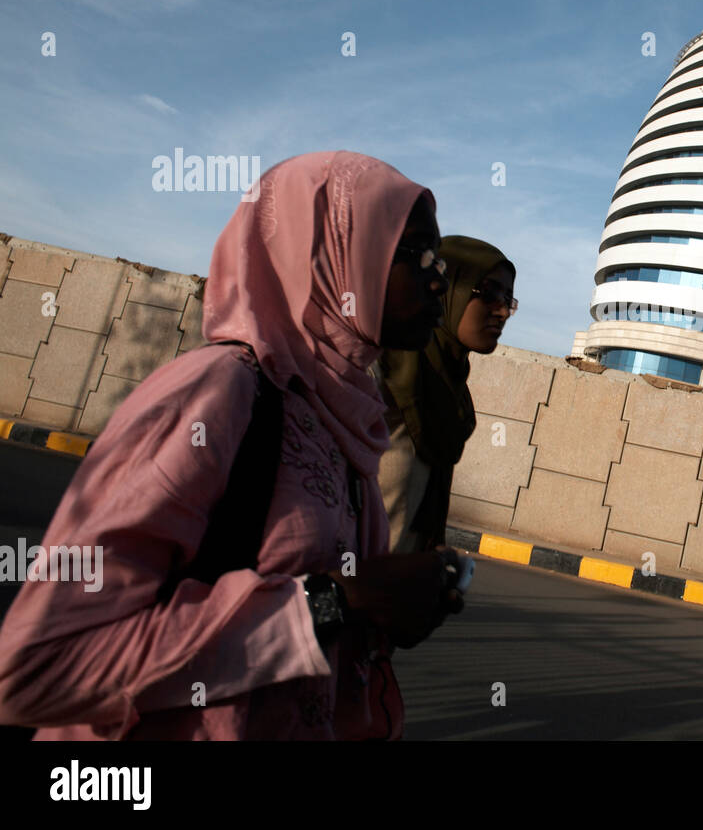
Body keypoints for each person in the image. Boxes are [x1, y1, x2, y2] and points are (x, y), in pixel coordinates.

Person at [0, 151, 465, 740]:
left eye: (441, 261)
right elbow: (37, 665)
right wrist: (330, 604)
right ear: (330, 256)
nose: (436, 278)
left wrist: (383, 611)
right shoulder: (218, 392)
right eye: (414, 253)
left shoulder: (345, 420)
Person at [373, 238, 516, 553]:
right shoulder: (381, 373)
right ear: (448, 289)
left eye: (509, 299)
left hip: (401, 591)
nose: (503, 311)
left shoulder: (451, 394)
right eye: (490, 293)